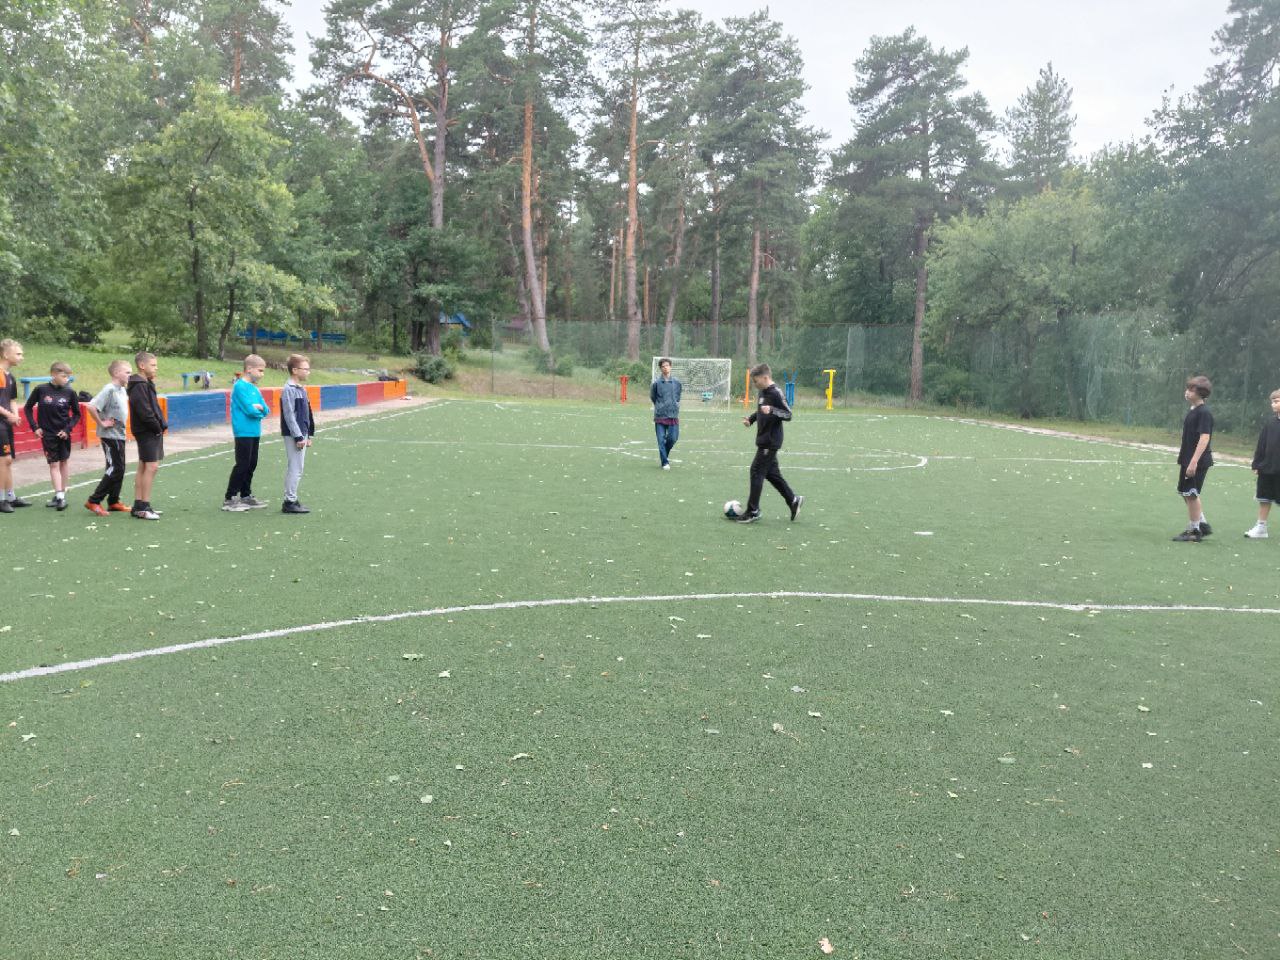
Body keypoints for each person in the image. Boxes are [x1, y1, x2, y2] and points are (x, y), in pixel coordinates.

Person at [738, 362, 803, 524]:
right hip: (763, 439)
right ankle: (793, 500)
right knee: (771, 474)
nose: (755, 384)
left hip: (770, 441)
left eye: (756, 381)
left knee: (756, 471)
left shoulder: (776, 393)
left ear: (765, 377)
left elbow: (788, 414)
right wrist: (751, 419)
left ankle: (753, 511)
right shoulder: (762, 392)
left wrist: (773, 410)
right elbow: (761, 410)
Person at [23, 362, 81, 511]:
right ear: (53, 374)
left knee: (64, 462)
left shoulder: (70, 392)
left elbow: (77, 414)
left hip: (63, 435)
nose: (66, 379)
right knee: (53, 464)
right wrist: (35, 427)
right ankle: (60, 496)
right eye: (63, 376)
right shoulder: (41, 389)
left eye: (68, 377)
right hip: (48, 434)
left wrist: (67, 430)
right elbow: (27, 408)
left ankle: (61, 494)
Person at [83, 359, 133, 517]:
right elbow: (91, 406)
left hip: (119, 435)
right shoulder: (109, 389)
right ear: (117, 373)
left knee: (120, 468)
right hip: (110, 435)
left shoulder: (122, 390)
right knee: (115, 468)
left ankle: (113, 501)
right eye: (127, 372)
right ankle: (94, 500)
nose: (130, 375)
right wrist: (101, 423)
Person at [223, 354, 270, 512]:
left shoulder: (254, 389)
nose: (262, 374)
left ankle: (246, 495)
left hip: (255, 431)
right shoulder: (240, 386)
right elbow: (250, 410)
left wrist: (260, 409)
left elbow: (266, 409)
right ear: (249, 369)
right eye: (260, 370)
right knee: (242, 464)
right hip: (243, 431)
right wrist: (257, 409)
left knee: (252, 463)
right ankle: (230, 498)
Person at [1172, 375, 1214, 542]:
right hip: (1187, 459)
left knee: (1191, 494)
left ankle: (1194, 531)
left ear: (1201, 393)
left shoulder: (1204, 413)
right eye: (1187, 389)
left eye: (1191, 390)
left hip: (1197, 461)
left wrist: (1194, 462)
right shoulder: (1193, 411)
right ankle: (1201, 524)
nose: (1187, 392)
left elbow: (1205, 437)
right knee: (1186, 493)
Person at [127, 351, 166, 520]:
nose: (156, 368)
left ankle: (138, 505)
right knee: (151, 466)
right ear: (142, 366)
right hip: (147, 431)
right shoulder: (139, 386)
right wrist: (156, 427)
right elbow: (145, 411)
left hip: (149, 430)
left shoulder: (146, 383)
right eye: (153, 365)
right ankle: (144, 506)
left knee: (143, 466)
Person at [280, 353, 314, 514]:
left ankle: (292, 498)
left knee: (298, 467)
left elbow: (307, 413)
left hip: (302, 433)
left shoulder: (301, 389)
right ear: (294, 370)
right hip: (295, 435)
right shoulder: (289, 390)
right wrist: (298, 436)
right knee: (295, 467)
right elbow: (289, 415)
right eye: (305, 369)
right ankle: (289, 501)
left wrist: (309, 434)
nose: (308, 372)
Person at [1244, 388, 1280, 540]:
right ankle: (1261, 528)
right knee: (1264, 498)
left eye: (1276, 401)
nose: (1273, 404)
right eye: (1272, 402)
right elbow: (1262, 443)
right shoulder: (1270, 422)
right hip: (1267, 468)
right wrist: (1257, 463)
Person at [0, 338, 30, 513]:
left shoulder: (10, 376)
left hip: (6, 423)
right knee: (3, 460)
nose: (21, 357)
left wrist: (16, 415)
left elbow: (11, 400)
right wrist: (9, 415)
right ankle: (1, 499)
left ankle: (10, 496)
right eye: (18, 354)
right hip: (1, 424)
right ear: (6, 354)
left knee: (8, 460)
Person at [650, 358, 682, 470]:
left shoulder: (677, 383)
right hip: (660, 416)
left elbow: (678, 396)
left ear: (670, 367)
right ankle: (664, 462)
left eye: (667, 365)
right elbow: (653, 397)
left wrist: (675, 405)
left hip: (673, 415)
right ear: (660, 368)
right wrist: (660, 406)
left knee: (673, 438)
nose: (665, 368)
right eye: (663, 366)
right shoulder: (656, 384)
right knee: (660, 440)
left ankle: (664, 455)